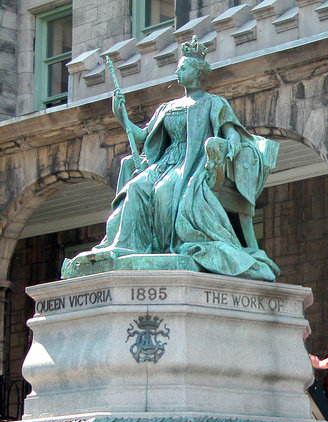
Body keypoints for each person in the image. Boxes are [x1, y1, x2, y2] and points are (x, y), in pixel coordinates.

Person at [62, 36, 280, 281]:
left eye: (183, 68)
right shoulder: (167, 107)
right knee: (136, 187)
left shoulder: (214, 103)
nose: (178, 71)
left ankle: (172, 245)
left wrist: (230, 145)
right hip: (167, 161)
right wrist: (121, 117)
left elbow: (231, 131)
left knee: (166, 190)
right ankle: (127, 245)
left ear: (197, 73)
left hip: (195, 162)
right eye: (179, 67)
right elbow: (144, 136)